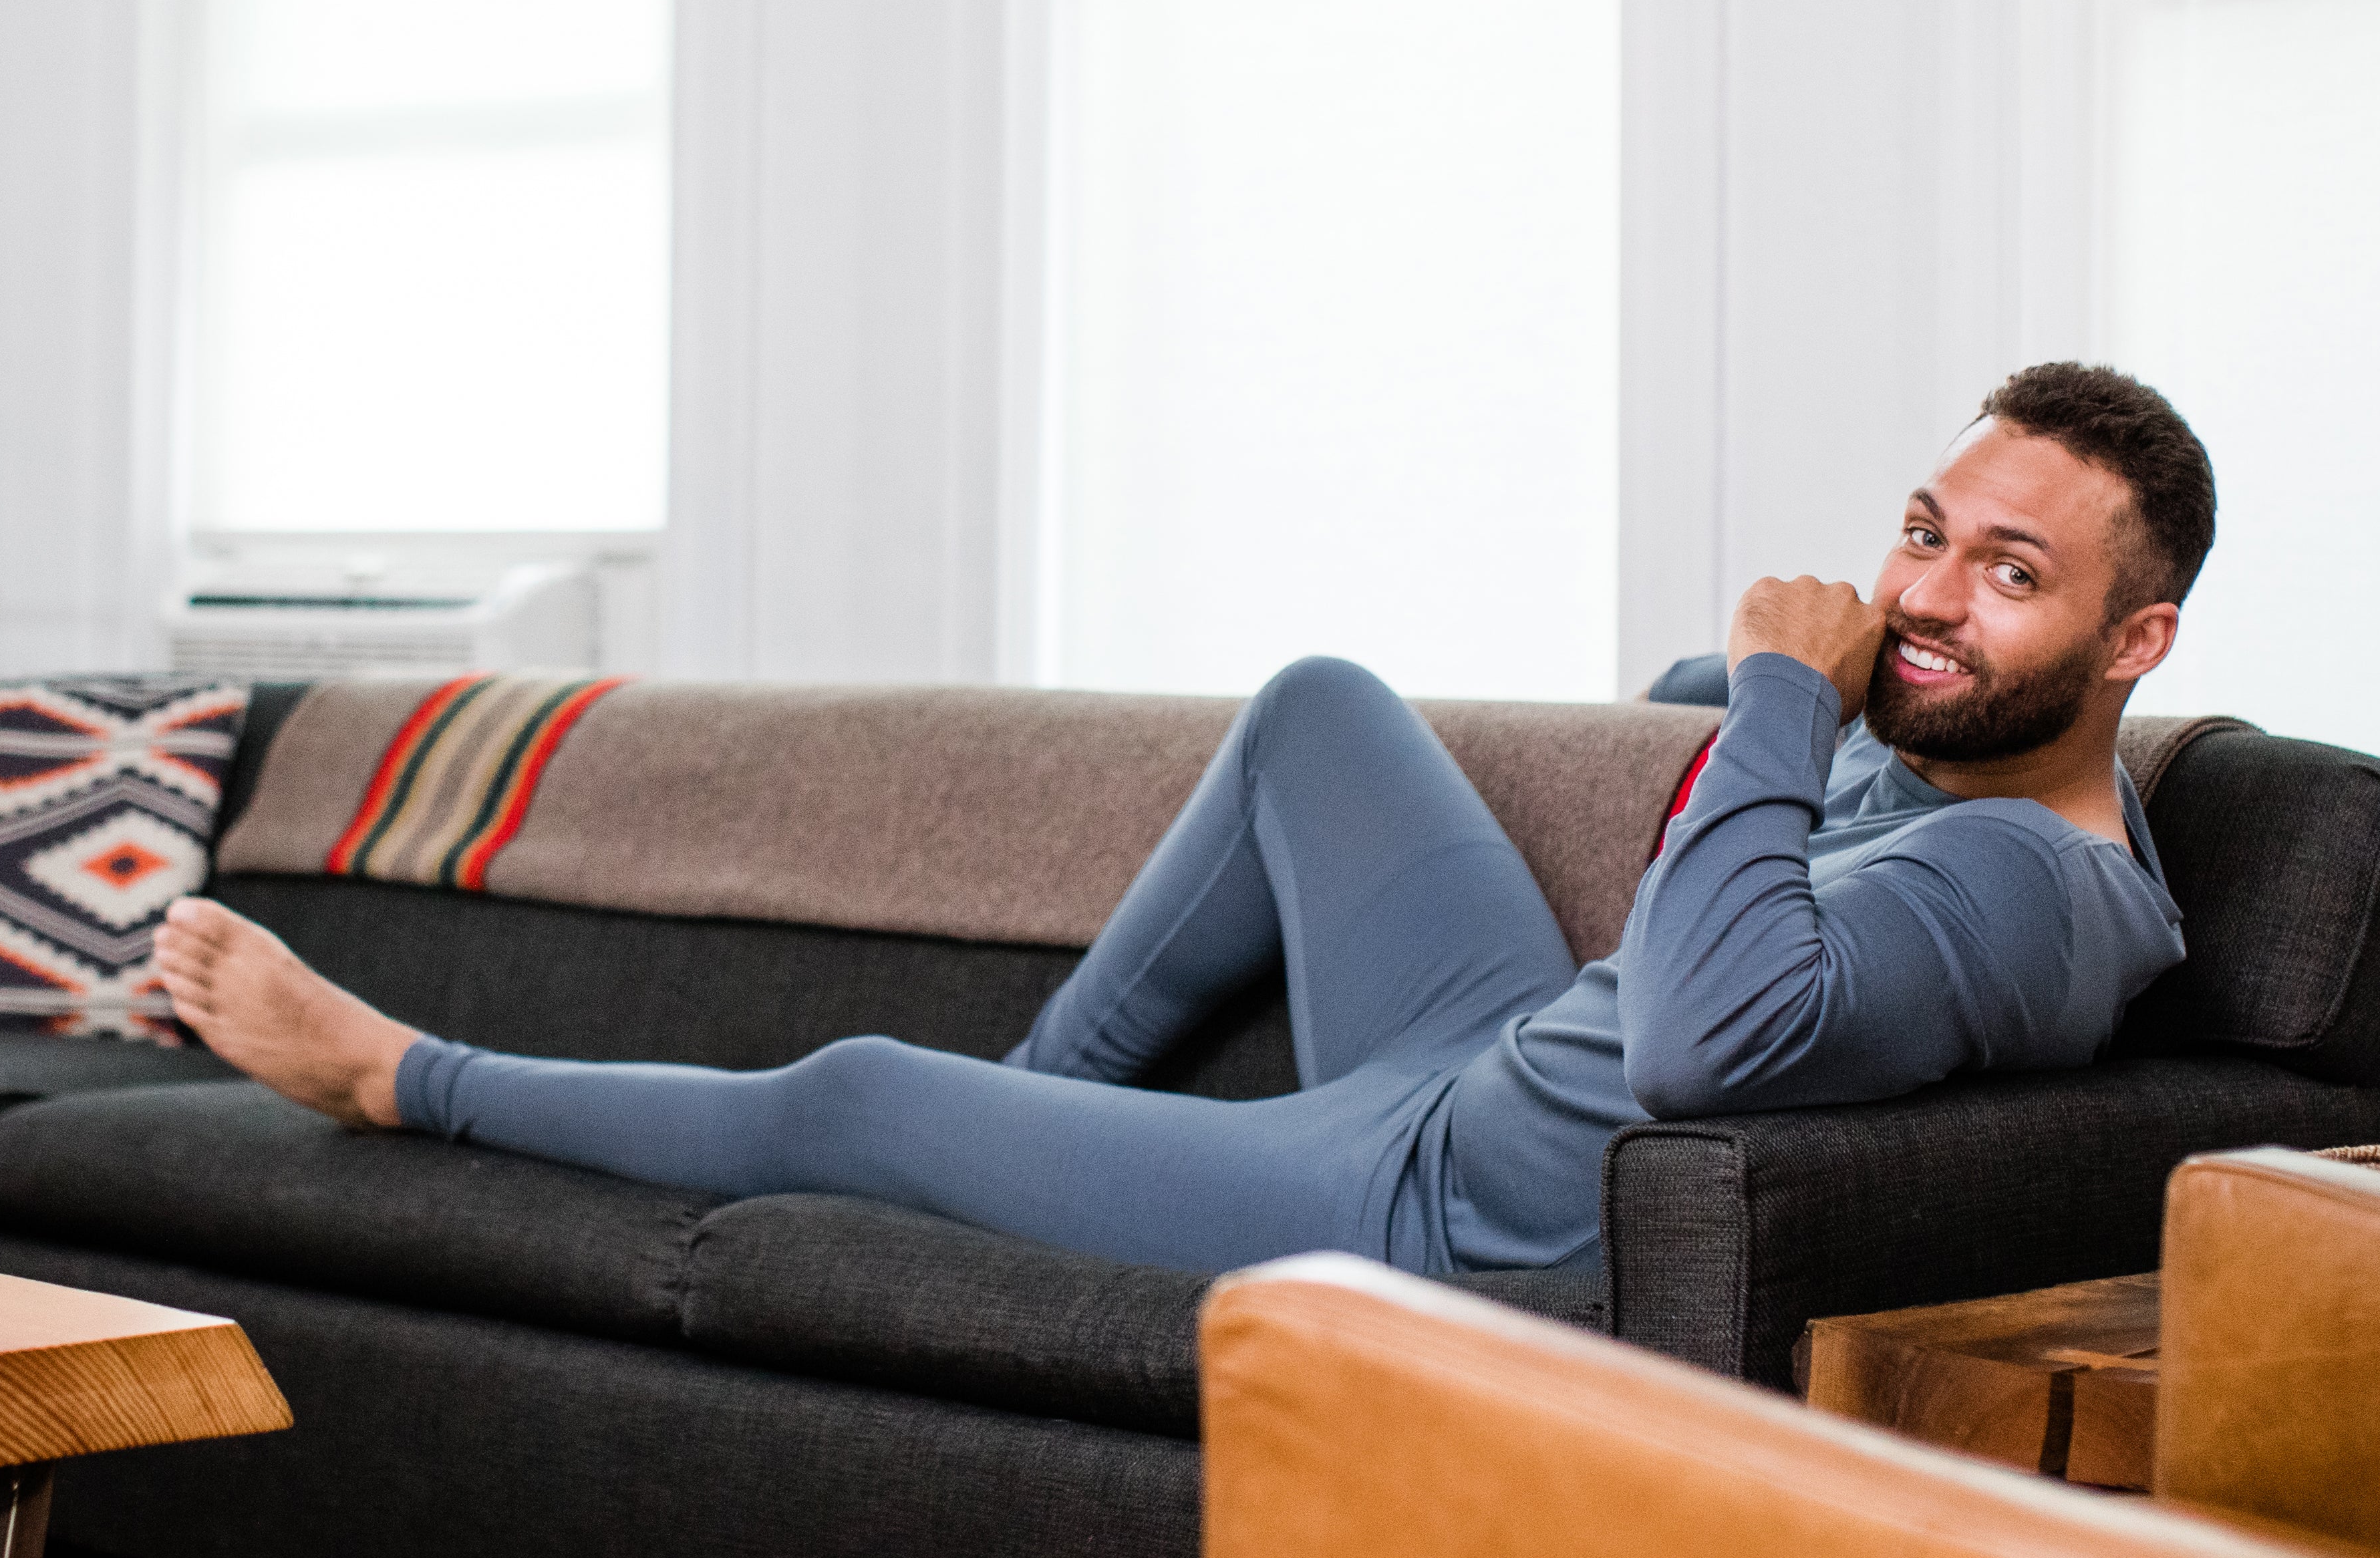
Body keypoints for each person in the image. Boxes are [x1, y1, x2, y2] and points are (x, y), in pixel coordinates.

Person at [152, 362, 2209, 1277]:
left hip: (1439, 1212)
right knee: (1319, 707)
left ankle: (400, 1073)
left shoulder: (2029, 895)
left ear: (2133, 641)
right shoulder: (1942, 753)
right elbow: (1692, 771)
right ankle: (1039, 1134)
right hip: (1458, 1062)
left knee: (864, 1088)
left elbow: (1697, 1040)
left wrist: (1777, 684)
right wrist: (1746, 703)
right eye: (1925, 535)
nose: (1928, 594)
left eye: (2006, 575)